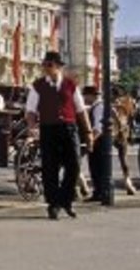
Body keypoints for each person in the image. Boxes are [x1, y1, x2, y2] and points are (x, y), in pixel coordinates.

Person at [25, 51, 94, 219]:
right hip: (48, 129)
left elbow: (80, 110)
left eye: (49, 65)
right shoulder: (38, 86)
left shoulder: (71, 85)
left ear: (58, 66)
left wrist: (88, 132)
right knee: (50, 167)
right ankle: (53, 204)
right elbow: (31, 111)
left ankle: (66, 199)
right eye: (44, 65)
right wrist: (33, 127)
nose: (45, 68)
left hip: (69, 127)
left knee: (74, 165)